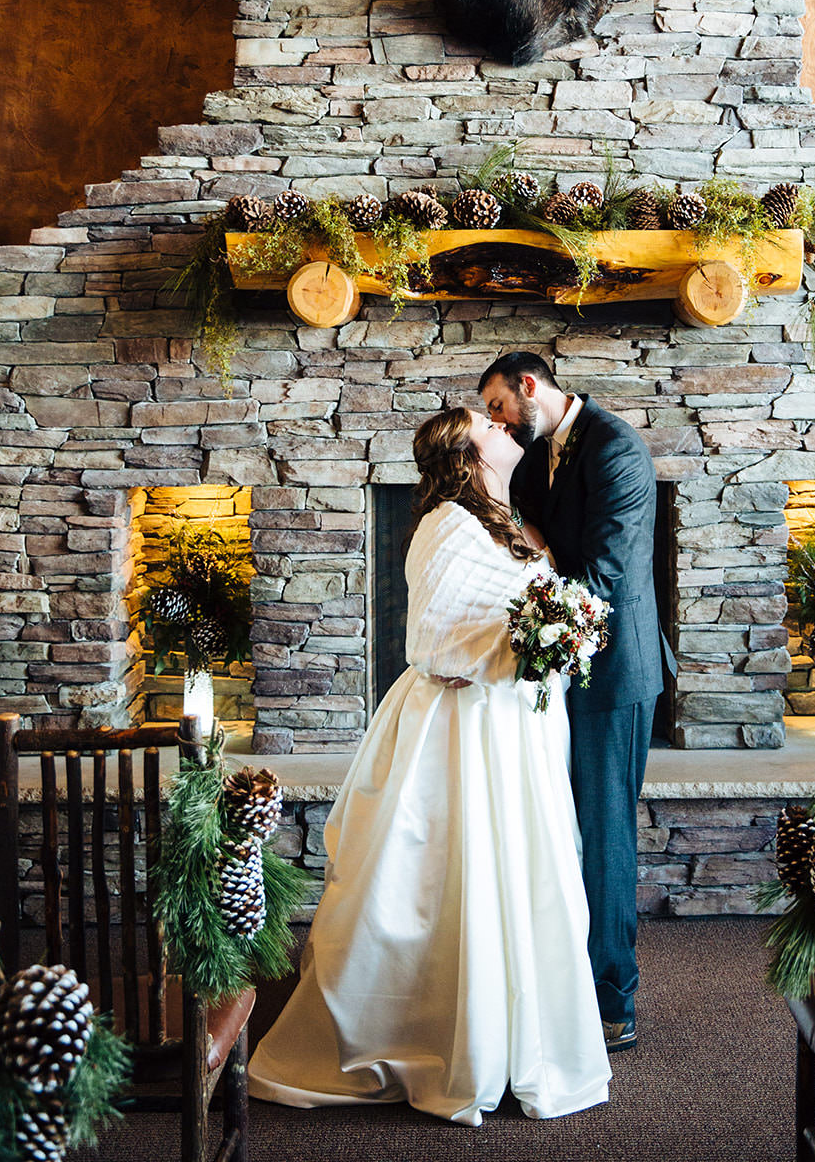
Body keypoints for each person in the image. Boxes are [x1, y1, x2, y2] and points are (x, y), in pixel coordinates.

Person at [247, 405, 611, 1126]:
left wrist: (558, 639)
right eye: (487, 423)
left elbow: (510, 618)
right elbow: (433, 643)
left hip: (515, 729)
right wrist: (531, 645)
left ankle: (518, 1035)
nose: (505, 425)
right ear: (462, 451)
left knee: (523, 872)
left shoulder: (508, 520)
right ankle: (438, 1035)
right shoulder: (447, 522)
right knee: (451, 874)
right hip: (460, 732)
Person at [480, 352, 667, 1053]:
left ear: (529, 387)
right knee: (563, 832)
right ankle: (559, 984)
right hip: (558, 667)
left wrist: (528, 583)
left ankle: (613, 1002)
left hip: (614, 673)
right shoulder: (535, 457)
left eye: (498, 405)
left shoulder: (616, 449)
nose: (496, 420)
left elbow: (603, 576)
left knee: (605, 835)